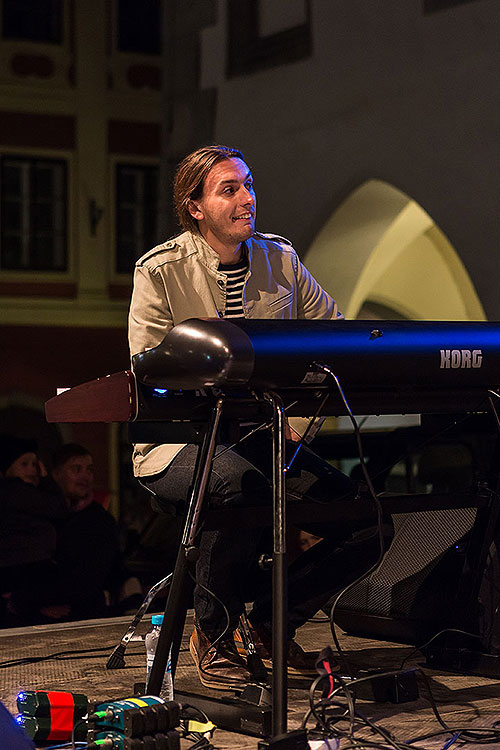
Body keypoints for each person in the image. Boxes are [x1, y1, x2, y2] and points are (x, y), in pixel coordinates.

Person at [128, 145, 382, 690]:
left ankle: (268, 622)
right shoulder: (161, 271)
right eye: (229, 189)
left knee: (368, 522)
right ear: (195, 207)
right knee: (237, 483)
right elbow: (148, 373)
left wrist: (300, 413)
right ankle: (213, 635)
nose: (247, 199)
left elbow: (334, 335)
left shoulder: (281, 261)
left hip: (262, 442)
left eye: (248, 184)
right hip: (178, 446)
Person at [52, 443, 141, 619]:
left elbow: (91, 578)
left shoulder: (100, 521)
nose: (85, 476)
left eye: (89, 470)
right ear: (56, 474)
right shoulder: (47, 515)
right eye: (77, 469)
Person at [0, 434, 69, 625]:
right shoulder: (14, 491)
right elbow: (58, 508)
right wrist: (46, 479)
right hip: (20, 579)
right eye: (24, 464)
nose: (32, 470)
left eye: (34, 464)